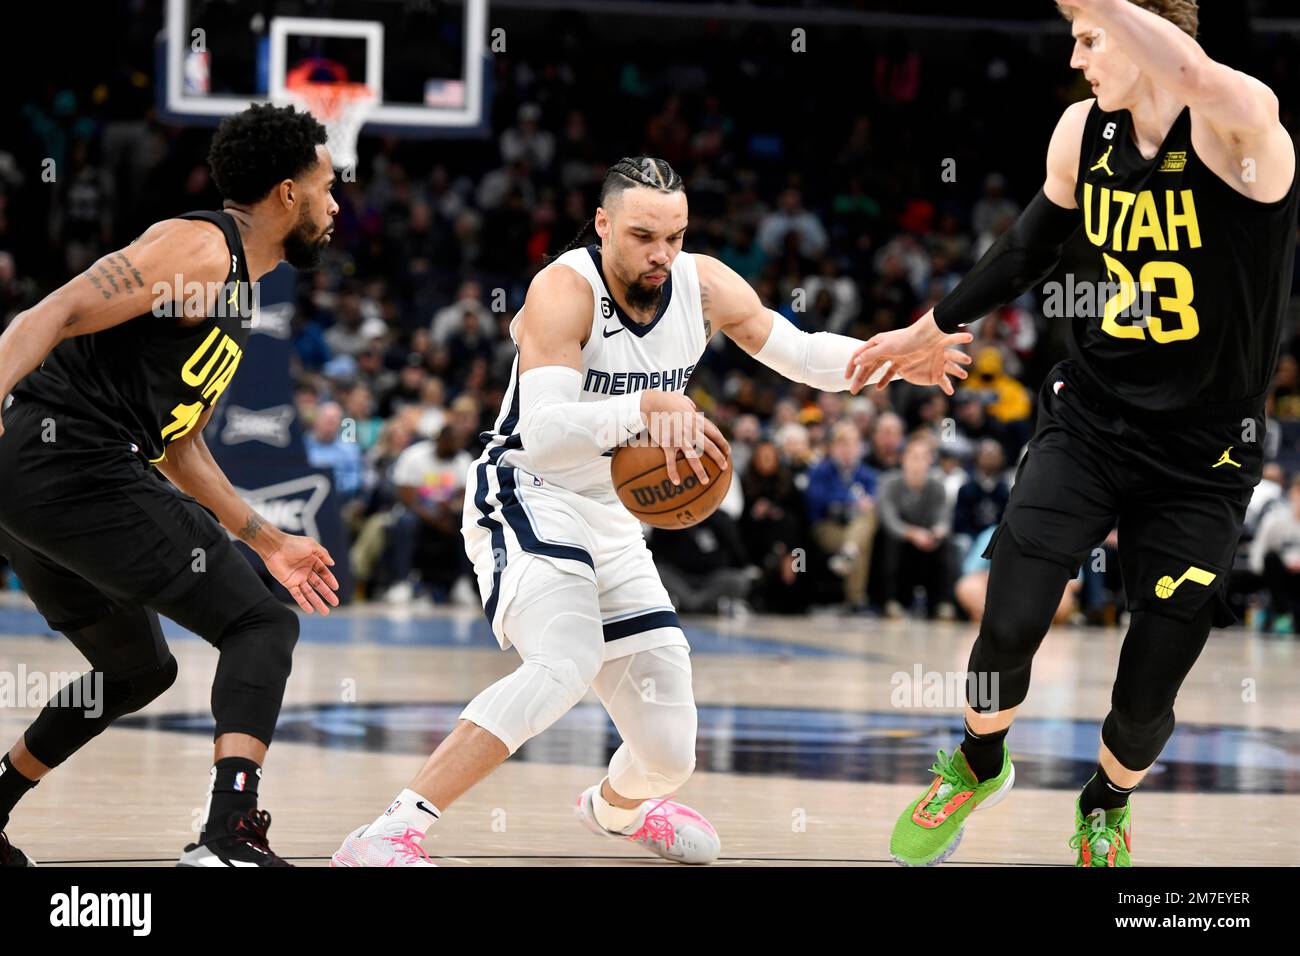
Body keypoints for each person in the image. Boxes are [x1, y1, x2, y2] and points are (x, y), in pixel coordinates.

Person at [331, 155, 971, 867]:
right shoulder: (562, 290)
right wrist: (643, 407)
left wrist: (892, 360)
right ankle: (389, 831)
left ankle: (615, 811)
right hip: (527, 490)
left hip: (613, 516)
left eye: (674, 235)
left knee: (669, 751)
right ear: (603, 225)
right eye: (642, 236)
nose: (661, 253)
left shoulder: (705, 284)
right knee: (565, 660)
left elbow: (804, 354)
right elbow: (542, 432)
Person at [853, 0, 1298, 866]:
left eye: (1092, 38)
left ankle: (1107, 800)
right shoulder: (1079, 132)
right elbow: (1028, 250)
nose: (1077, 53)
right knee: (1010, 616)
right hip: (1092, 419)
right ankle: (980, 760)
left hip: (1205, 458)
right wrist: (931, 324)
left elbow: (1199, 76)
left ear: (1145, 38)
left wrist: (1113, 5)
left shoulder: (1243, 132)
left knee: (1145, 692)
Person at [0, 104, 342, 867]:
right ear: (287, 195)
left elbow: (178, 447)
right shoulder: (199, 248)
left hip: (38, 482)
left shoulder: (236, 294)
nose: (337, 205)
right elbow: (51, 311)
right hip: (68, 459)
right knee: (263, 626)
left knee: (137, 670)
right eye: (327, 188)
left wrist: (268, 539)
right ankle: (228, 837)